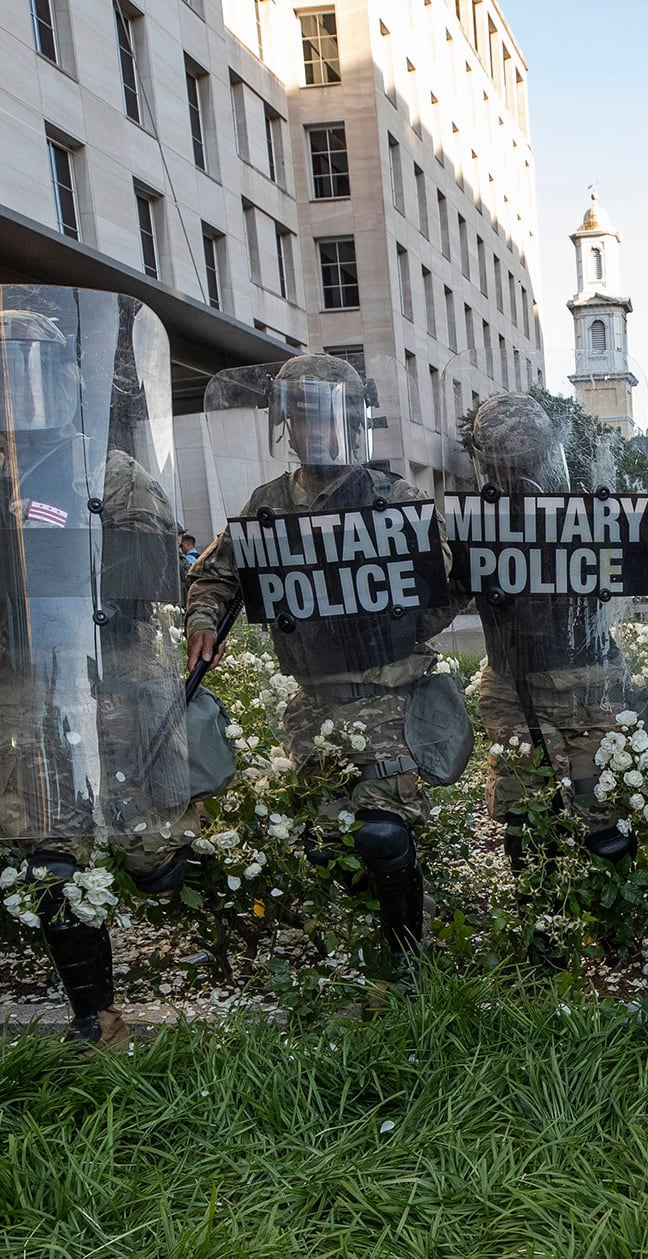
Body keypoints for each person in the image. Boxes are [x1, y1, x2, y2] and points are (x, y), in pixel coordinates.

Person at [0, 291, 199, 1048]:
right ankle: (93, 1014)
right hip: (21, 685)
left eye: (24, 372)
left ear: (61, 381)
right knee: (48, 860)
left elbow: (152, 566)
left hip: (113, 677)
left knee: (156, 862)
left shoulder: (105, 465)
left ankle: (232, 937)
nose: (9, 392)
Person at [185, 354, 460, 975]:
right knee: (320, 842)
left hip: (389, 698)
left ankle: (408, 963)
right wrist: (203, 619)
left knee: (382, 833)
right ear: (288, 423)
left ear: (353, 422)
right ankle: (413, 917)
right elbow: (216, 573)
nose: (316, 431)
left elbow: (439, 595)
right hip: (312, 703)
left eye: (327, 417)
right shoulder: (268, 504)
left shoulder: (395, 499)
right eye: (303, 418)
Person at [464, 394, 637, 873]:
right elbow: (437, 599)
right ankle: (544, 938)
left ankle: (609, 936)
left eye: (528, 461)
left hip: (591, 684)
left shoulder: (589, 514)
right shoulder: (474, 523)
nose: (516, 476)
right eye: (502, 466)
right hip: (515, 688)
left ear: (548, 456)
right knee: (529, 834)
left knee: (606, 827)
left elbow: (622, 581)